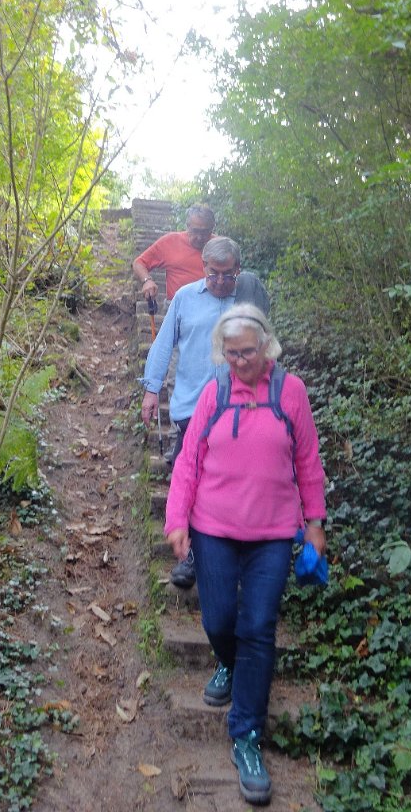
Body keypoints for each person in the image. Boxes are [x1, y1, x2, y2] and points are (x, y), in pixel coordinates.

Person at [164, 305, 327, 805]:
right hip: (213, 528)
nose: (240, 362)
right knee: (218, 620)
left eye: (248, 352)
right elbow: (189, 461)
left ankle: (247, 736)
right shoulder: (214, 392)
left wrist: (314, 524)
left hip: (273, 534)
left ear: (267, 346)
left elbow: (308, 460)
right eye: (231, 354)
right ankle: (230, 664)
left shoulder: (290, 392)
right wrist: (177, 520)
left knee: (258, 628)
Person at [141, 237, 270, 587]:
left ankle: (232, 552)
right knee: (191, 479)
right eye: (213, 274)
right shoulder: (185, 298)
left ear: (237, 270)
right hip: (191, 407)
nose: (220, 281)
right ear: (204, 268)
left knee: (228, 483)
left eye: (228, 275)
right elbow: (163, 344)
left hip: (237, 410)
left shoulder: (246, 301)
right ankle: (192, 557)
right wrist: (152, 389)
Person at [132, 204, 216, 302]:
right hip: (178, 306)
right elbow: (139, 263)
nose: (200, 237)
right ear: (188, 226)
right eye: (195, 231)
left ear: (212, 229)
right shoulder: (171, 241)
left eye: (205, 232)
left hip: (213, 305)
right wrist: (147, 280)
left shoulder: (220, 246)